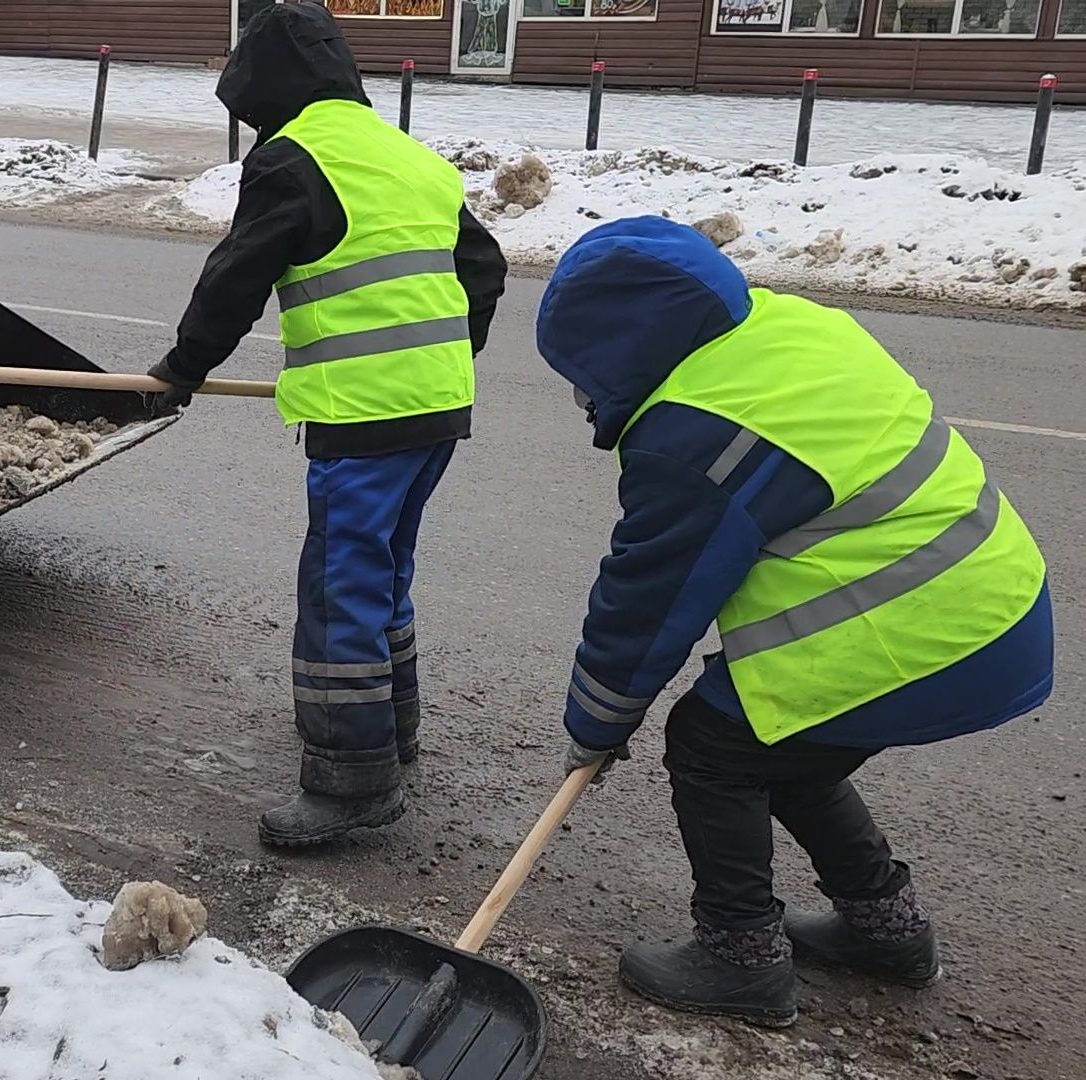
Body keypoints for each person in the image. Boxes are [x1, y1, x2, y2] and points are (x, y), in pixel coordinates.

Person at [536, 216, 1052, 1027]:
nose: (582, 396)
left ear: (625, 345)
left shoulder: (697, 431)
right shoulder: (792, 328)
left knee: (714, 746)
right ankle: (889, 932)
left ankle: (739, 959)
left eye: (586, 372)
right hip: (996, 601)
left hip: (923, 628)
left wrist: (594, 725)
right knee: (787, 747)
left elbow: (648, 601)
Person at [148, 2, 507, 847]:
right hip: (437, 408)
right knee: (383, 572)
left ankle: (353, 781)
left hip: (366, 415)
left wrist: (181, 369)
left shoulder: (294, 159)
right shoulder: (410, 157)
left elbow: (237, 277)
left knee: (339, 586)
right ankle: (392, 732)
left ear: (266, 92)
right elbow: (483, 269)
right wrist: (440, 358)